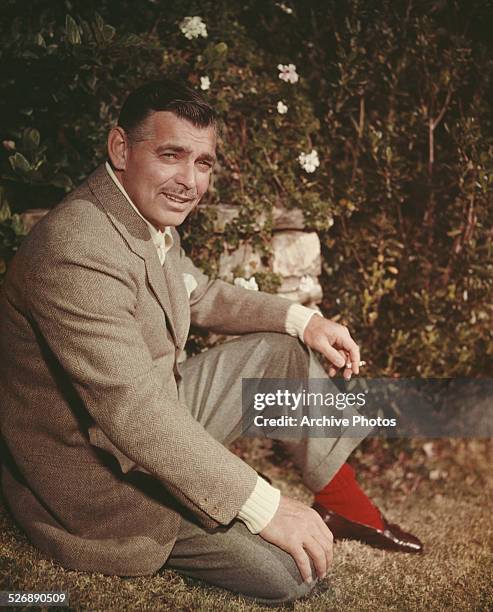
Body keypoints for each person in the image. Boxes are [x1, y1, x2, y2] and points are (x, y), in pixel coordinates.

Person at [0, 79, 422, 605]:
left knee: (286, 348)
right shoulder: (77, 248)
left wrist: (303, 319)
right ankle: (226, 502)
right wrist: (266, 506)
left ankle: (343, 502)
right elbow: (133, 412)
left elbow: (198, 293)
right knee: (291, 573)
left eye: (203, 163)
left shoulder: (141, 213)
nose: (189, 181)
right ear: (120, 148)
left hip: (153, 414)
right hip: (99, 469)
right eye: (171, 155)